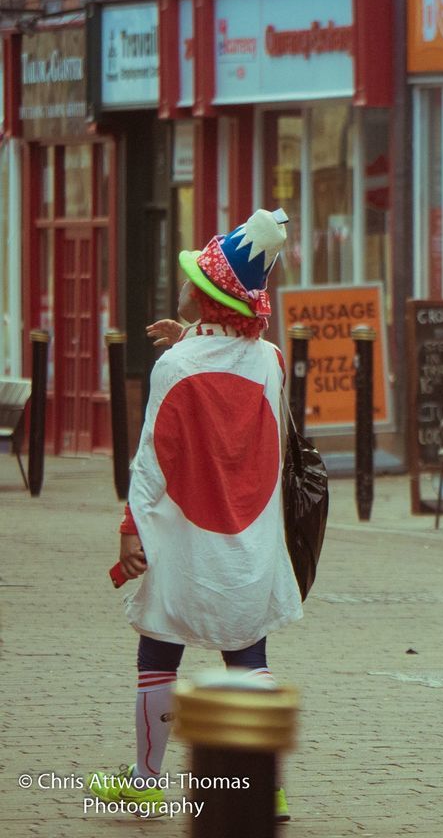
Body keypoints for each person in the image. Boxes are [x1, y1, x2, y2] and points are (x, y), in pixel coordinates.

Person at [90, 209, 300, 821]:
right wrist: (192, 334)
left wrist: (132, 527)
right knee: (248, 657)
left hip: (183, 534)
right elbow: (236, 362)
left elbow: (153, 458)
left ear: (206, 297)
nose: (182, 286)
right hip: (250, 536)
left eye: (192, 281)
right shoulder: (271, 362)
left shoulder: (173, 367)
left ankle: (146, 781)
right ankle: (268, 787)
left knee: (159, 654)